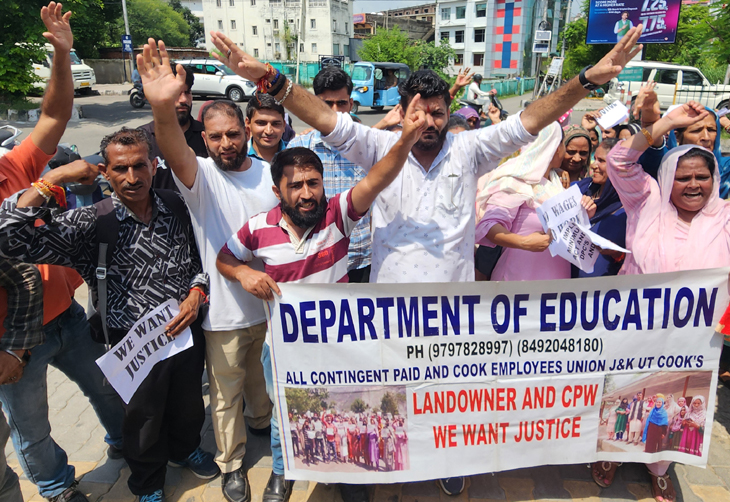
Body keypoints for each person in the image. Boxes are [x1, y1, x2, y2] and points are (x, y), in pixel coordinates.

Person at [209, 24, 644, 496]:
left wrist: (586, 80)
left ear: (448, 112)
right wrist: (269, 78)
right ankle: (389, 459)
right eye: (420, 112)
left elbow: (530, 120)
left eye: (438, 112)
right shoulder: (378, 147)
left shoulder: (470, 149)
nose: (429, 122)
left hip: (452, 312)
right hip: (391, 311)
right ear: (403, 111)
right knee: (392, 396)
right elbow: (323, 116)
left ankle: (448, 461)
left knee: (448, 396)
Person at [215, 94, 425, 491]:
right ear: (278, 191)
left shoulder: (338, 215)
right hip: (283, 346)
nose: (307, 193)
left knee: (346, 405)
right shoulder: (257, 228)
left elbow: (378, 178)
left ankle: (350, 475)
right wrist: (242, 273)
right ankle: (283, 471)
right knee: (284, 410)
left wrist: (405, 141)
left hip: (340, 346)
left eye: (313, 183)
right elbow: (225, 258)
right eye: (295, 186)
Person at [0, 127, 219, 502]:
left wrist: (197, 291)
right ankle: (148, 482)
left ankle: (185, 449)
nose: (132, 178)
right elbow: (9, 237)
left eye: (139, 166)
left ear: (153, 165)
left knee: (187, 403)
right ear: (105, 171)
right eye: (120, 168)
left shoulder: (175, 204)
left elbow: (200, 258)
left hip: (184, 330)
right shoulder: (91, 222)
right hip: (132, 342)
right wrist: (54, 178)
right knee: (143, 418)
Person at [592, 101, 730, 502]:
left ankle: (659, 467)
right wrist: (665, 123)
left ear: (714, 178)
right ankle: (612, 455)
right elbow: (620, 161)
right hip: (634, 329)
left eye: (702, 177)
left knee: (676, 405)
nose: (694, 185)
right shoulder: (646, 201)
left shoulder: (727, 216)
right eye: (683, 178)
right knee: (625, 395)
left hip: (692, 342)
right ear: (668, 178)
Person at [136, 41, 277, 502]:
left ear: (247, 131)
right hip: (225, 315)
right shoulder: (198, 176)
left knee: (261, 384)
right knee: (225, 395)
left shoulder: (271, 174)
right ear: (206, 139)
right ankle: (231, 464)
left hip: (271, 308)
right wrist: (162, 106)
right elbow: (170, 143)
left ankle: (261, 424)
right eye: (215, 137)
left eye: (232, 134)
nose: (225, 144)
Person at [0, 6, 125, 502]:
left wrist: (61, 55)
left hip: (66, 316)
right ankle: (57, 488)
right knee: (31, 427)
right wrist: (50, 180)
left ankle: (126, 444)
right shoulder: (29, 177)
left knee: (106, 387)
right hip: (12, 341)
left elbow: (53, 116)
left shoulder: (11, 167)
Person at [288, 66, 372, 283]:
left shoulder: (369, 146)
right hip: (316, 262)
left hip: (362, 261)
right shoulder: (298, 148)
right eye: (327, 104)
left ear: (351, 104)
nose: (335, 111)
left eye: (341, 103)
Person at [474, 123, 583, 282]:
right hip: (519, 282)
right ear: (555, 146)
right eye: (563, 144)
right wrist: (524, 242)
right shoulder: (517, 180)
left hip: (557, 283)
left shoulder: (555, 181)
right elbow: (488, 225)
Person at [138, 65, 207, 191]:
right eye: (176, 93)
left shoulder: (206, 135)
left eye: (187, 92)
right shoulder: (141, 138)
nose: (184, 100)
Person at [574, 138, 626, 277]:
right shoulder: (579, 190)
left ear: (618, 166)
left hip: (605, 285)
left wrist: (617, 254)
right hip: (567, 280)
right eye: (594, 159)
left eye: (601, 161)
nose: (593, 165)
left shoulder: (627, 211)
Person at [245, 94, 286, 162]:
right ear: (248, 123)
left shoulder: (295, 156)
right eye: (261, 123)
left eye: (275, 124)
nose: (268, 131)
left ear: (284, 125)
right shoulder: (237, 157)